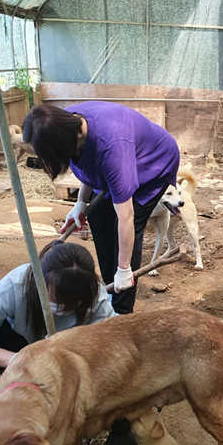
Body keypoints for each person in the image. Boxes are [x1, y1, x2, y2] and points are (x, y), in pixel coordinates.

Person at [23, 103, 180, 314]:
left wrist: (123, 269)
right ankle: (111, 285)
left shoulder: (112, 148)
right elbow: (89, 163)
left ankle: (121, 309)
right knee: (97, 215)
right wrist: (81, 203)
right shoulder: (60, 123)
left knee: (122, 225)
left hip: (152, 163)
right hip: (121, 155)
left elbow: (126, 218)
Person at [0, 240, 115, 406]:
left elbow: (115, 343)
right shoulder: (15, 286)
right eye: (55, 299)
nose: (61, 307)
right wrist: (22, 360)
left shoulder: (95, 297)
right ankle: (0, 373)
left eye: (71, 303)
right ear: (40, 282)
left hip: (65, 362)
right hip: (19, 352)